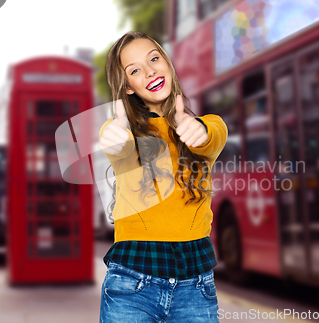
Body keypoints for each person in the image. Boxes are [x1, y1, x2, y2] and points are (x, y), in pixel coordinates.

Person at [97, 31, 228, 323]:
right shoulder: (122, 131)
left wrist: (199, 131)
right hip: (132, 285)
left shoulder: (207, 125)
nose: (150, 71)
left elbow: (213, 136)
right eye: (134, 70)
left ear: (167, 63)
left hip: (195, 285)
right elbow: (116, 145)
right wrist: (115, 138)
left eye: (154, 58)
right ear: (128, 88)